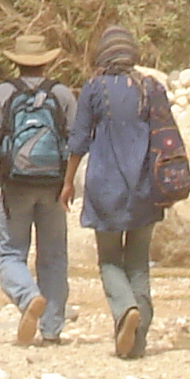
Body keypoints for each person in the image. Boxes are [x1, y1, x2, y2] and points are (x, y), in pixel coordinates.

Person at [0, 30, 76, 345]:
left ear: (17, 63)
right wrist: (70, 184)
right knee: (54, 256)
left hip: (15, 186)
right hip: (54, 186)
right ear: (46, 63)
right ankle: (52, 329)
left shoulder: (4, 93)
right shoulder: (63, 94)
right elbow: (77, 142)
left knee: (9, 253)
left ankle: (28, 296)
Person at [68, 22, 162, 358]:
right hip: (144, 188)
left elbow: (78, 141)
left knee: (109, 260)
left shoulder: (94, 89)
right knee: (138, 263)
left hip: (104, 187)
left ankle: (124, 310)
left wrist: (67, 183)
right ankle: (137, 343)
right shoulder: (150, 88)